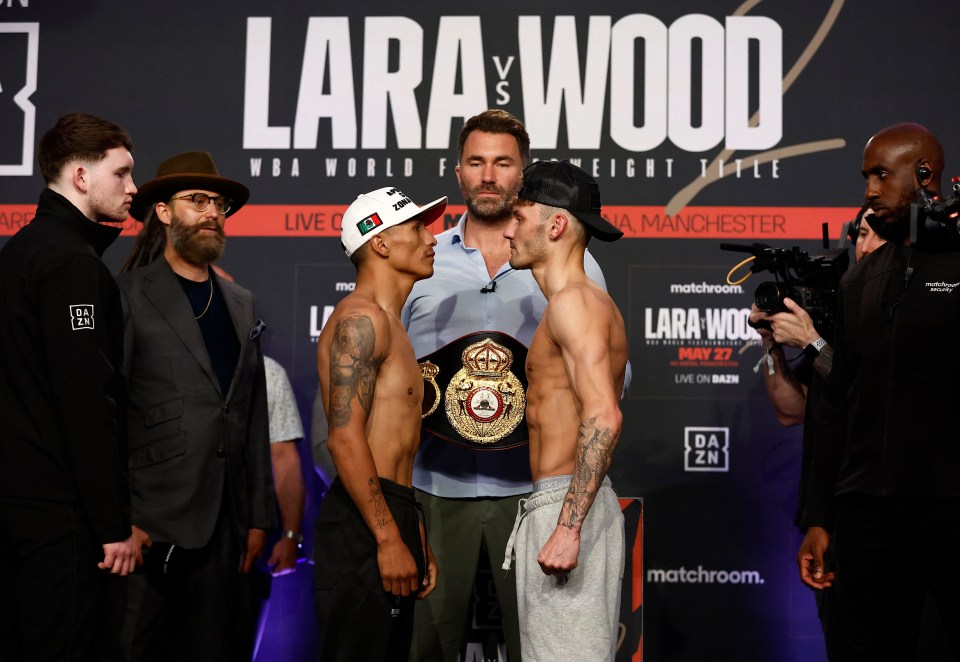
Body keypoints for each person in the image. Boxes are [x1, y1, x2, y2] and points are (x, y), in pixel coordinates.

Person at [403, 109, 610, 662]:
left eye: (502, 163)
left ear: (523, 174)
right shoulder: (418, 258)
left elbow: (606, 395)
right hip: (433, 489)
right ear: (458, 171)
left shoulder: (577, 271)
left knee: (545, 647)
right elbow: (386, 381)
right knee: (424, 646)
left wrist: (569, 518)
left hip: (534, 491)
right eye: (476, 162)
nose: (488, 175)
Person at [805, 122, 960, 660]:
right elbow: (836, 406)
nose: (870, 190)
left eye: (881, 175)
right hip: (868, 514)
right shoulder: (859, 280)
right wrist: (821, 515)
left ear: (924, 175)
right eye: (866, 176)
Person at [114, 151, 276, 661]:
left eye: (219, 204)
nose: (212, 212)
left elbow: (250, 415)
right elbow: (107, 411)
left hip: (226, 525)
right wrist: (120, 519)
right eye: (196, 200)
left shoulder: (241, 302)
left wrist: (258, 517)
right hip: (151, 522)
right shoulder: (128, 294)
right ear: (162, 212)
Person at [0, 113, 145, 661]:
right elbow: (85, 401)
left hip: (19, 504)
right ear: (82, 177)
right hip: (59, 516)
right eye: (122, 173)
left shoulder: (20, 251)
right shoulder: (70, 264)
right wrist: (112, 524)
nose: (133, 187)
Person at [501, 160, 627, 661]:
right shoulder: (575, 303)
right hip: (557, 505)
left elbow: (604, 416)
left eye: (519, 216)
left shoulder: (575, 302)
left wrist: (568, 527)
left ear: (554, 225)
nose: (508, 229)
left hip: (567, 507)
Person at [749, 206, 885, 662]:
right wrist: (772, 344)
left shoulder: (904, 316)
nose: (860, 247)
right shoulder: (838, 317)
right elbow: (793, 410)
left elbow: (872, 399)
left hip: (882, 515)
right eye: (857, 235)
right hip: (832, 514)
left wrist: (812, 342)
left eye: (869, 235)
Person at [314, 185, 442, 661]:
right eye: (417, 227)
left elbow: (397, 449)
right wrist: (389, 538)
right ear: (381, 243)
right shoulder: (360, 320)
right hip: (363, 523)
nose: (432, 238)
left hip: (393, 511)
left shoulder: (392, 324)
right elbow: (344, 439)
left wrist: (415, 535)